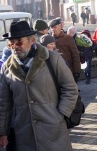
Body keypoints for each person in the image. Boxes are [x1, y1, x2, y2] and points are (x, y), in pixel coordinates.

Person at [0, 21, 78, 150]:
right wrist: (3, 131)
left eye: (18, 41)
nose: (14, 46)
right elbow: (4, 103)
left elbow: (70, 88)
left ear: (31, 40)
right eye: (11, 43)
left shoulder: (52, 59)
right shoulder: (6, 68)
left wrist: (61, 114)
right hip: (24, 135)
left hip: (54, 132)